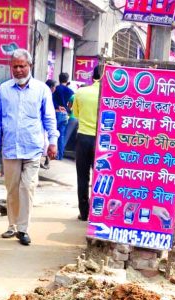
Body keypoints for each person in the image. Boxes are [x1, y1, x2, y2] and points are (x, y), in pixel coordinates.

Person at [0, 50, 58, 246]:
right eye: (15, 66)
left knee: (27, 187)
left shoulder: (41, 89)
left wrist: (53, 141)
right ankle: (12, 225)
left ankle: (23, 229)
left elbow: (49, 118)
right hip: (10, 147)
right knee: (11, 188)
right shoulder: (3, 89)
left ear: (30, 66)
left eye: (22, 66)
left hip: (33, 147)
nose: (18, 70)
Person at [72, 65, 100, 221]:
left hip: (83, 138)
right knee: (100, 177)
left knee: (82, 177)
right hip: (103, 140)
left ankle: (84, 213)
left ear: (92, 77)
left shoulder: (81, 92)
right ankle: (98, 213)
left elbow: (75, 113)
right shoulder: (110, 94)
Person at [52, 72, 75, 160]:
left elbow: (52, 100)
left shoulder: (56, 89)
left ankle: (52, 154)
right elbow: (72, 103)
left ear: (59, 79)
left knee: (54, 134)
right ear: (67, 80)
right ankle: (59, 155)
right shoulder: (70, 91)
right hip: (65, 114)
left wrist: (58, 106)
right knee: (61, 135)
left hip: (57, 112)